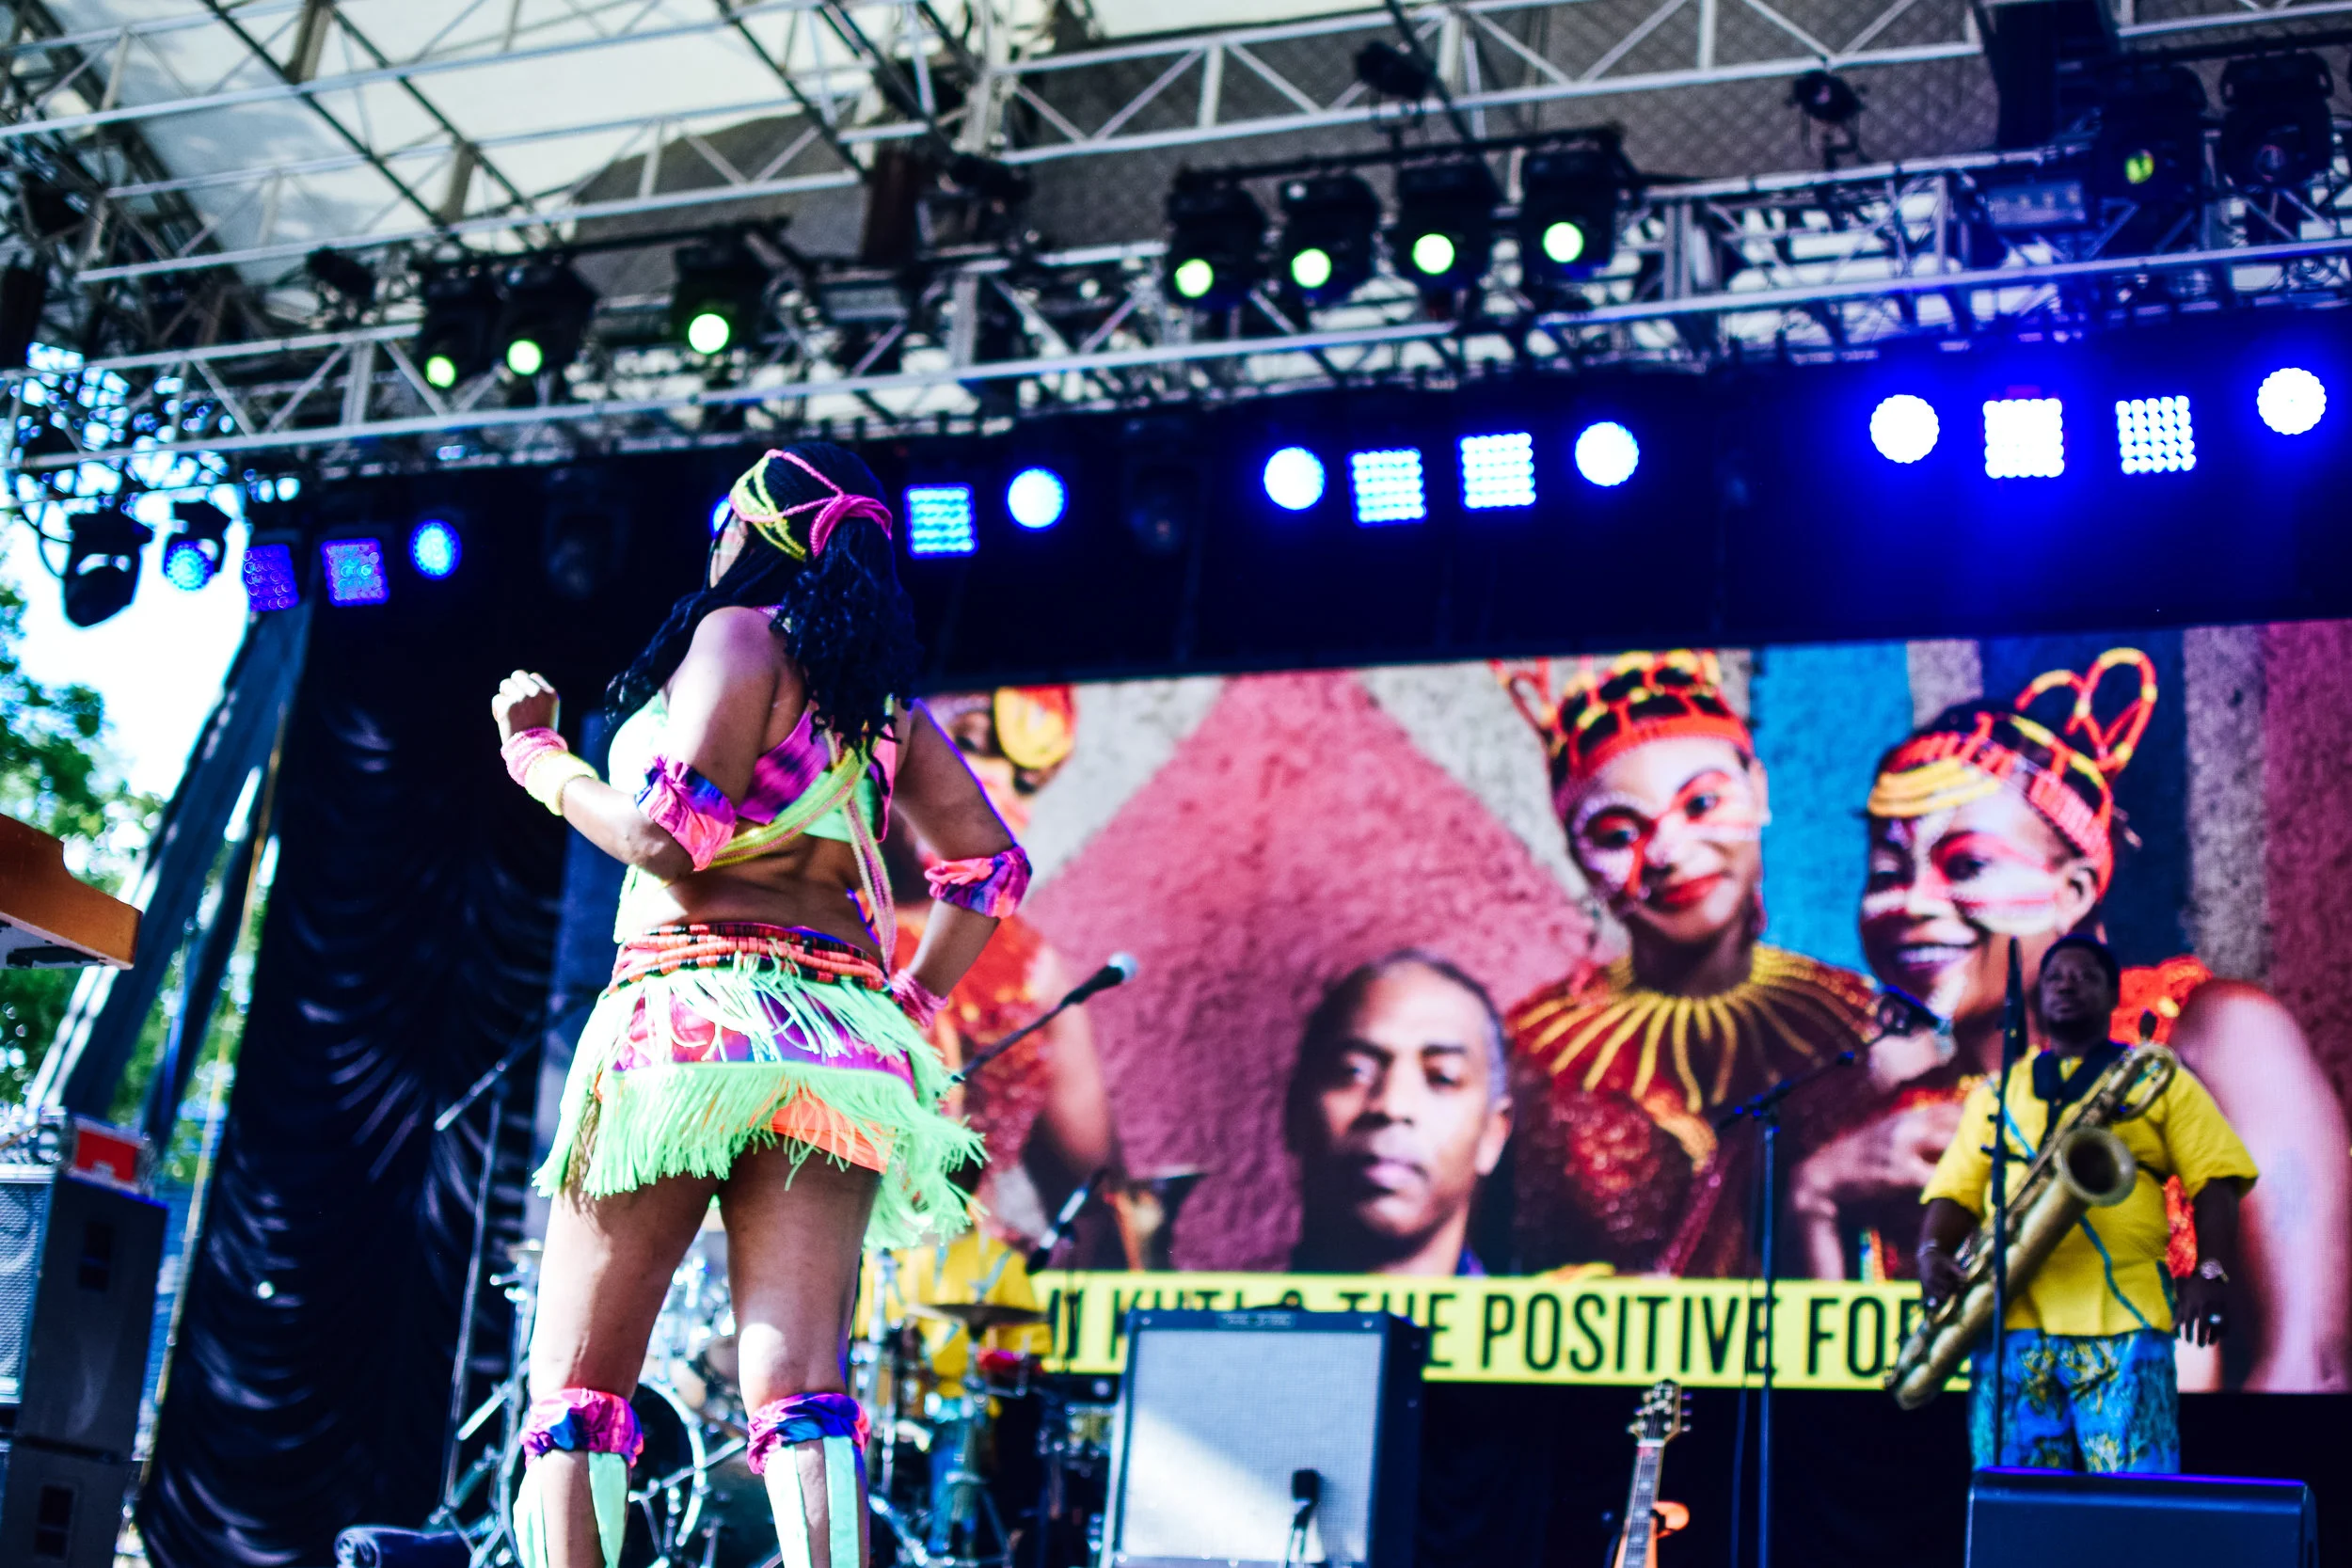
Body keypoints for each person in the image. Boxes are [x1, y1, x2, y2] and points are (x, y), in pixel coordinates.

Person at [491, 444, 1031, 1568]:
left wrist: (539, 757)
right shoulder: (880, 705)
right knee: (801, 1385)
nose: (714, 542)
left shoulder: (737, 636)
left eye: (724, 520)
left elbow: (669, 842)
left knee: (579, 1379)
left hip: (689, 1015)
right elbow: (988, 870)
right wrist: (912, 996)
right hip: (840, 1040)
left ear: (759, 530)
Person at [1791, 649, 2348, 1391]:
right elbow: (1863, 1408)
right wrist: (1814, 1195)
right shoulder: (1890, 1123)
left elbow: (2309, 1365)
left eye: (1966, 865)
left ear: (2074, 889)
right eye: (1889, 873)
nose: (1911, 904)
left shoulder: (2209, 1034)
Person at [1499, 651, 1878, 1275]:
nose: (1669, 852)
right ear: (1575, 855)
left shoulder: (1865, 1024)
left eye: (1701, 804)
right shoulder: (1531, 1051)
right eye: (1619, 834)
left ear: (1758, 790)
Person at [1916, 936, 2255, 1472]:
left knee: (2135, 1506)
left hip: (2125, 1324)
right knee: (2017, 1511)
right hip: (2010, 1327)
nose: (2068, 986)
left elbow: (2217, 1178)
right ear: (2035, 998)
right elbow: (1955, 1192)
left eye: (2085, 977)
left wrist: (2210, 1270)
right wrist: (1933, 1252)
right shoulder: (1997, 1094)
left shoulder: (2155, 1081)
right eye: (2055, 979)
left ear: (2111, 996)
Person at [890, 685, 1118, 1247]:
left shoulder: (1033, 972)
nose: (993, 785)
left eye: (1028, 779)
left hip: (951, 1286)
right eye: (968, 744)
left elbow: (1093, 1207)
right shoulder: (812, 911)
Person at [1285, 951, 1513, 1275]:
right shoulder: (1225, 1327)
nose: (1393, 1106)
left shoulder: (1536, 1328)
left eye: (1443, 1078)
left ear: (1492, 1135)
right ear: (1295, 1115)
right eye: (1354, 1071)